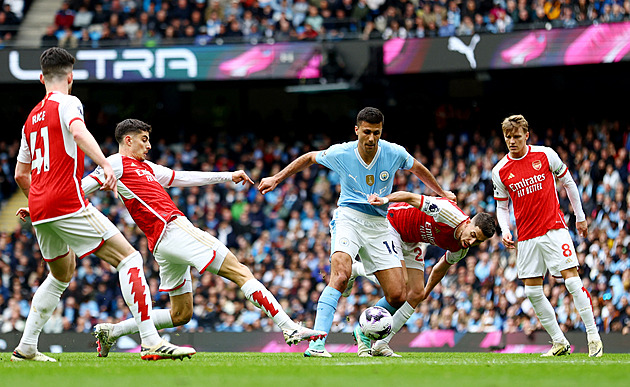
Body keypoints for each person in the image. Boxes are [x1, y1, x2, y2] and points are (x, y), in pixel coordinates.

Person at [82, 119, 326, 357]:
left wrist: (227, 176)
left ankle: (112, 331)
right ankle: (289, 327)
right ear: (128, 140)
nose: (149, 146)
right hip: (173, 229)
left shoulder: (146, 168)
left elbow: (183, 178)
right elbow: (84, 187)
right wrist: (67, 207)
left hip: (161, 244)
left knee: (181, 314)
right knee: (241, 272)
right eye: (144, 140)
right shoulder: (115, 162)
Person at [12, 47, 194, 362]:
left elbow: (20, 174)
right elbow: (78, 130)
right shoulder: (69, 102)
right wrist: (105, 164)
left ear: (42, 78)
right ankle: (150, 341)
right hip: (66, 200)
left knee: (60, 275)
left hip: (40, 206)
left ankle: (26, 347)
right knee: (129, 258)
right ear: (70, 78)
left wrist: (39, 201)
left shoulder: (29, 120)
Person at [258, 107, 455, 357]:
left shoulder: (393, 152)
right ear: (356, 130)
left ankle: (363, 330)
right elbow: (309, 158)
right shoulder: (342, 152)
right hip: (349, 217)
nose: (371, 138)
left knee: (397, 295)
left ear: (381, 132)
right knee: (339, 275)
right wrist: (277, 178)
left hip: (380, 224)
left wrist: (441, 192)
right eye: (366, 133)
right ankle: (317, 343)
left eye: (376, 133)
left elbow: (417, 168)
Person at [492, 114, 603, 357]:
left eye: (517, 136)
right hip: (527, 237)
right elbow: (502, 207)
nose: (512, 141)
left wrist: (580, 216)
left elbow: (569, 183)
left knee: (572, 281)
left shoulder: (545, 154)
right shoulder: (499, 170)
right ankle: (559, 342)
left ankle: (593, 336)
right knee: (532, 292)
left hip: (554, 228)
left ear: (527, 135)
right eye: (508, 137)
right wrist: (506, 229)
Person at [346, 191, 495, 356]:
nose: (472, 242)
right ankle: (362, 328)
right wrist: (385, 200)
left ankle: (381, 344)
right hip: (392, 225)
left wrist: (427, 291)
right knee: (399, 285)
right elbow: (410, 197)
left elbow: (441, 267)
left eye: (479, 241)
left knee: (415, 293)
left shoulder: (461, 248)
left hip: (412, 239)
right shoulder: (447, 212)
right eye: (473, 235)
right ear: (468, 223)